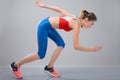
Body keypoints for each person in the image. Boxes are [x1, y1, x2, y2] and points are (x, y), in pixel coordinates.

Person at [9, 0, 102, 79]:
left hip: (47, 24)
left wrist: (45, 5)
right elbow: (76, 46)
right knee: (40, 54)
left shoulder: (74, 17)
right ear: (86, 20)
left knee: (61, 43)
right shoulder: (76, 25)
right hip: (44, 26)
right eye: (91, 24)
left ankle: (49, 67)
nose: (90, 26)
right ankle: (15, 65)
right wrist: (91, 49)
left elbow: (59, 9)